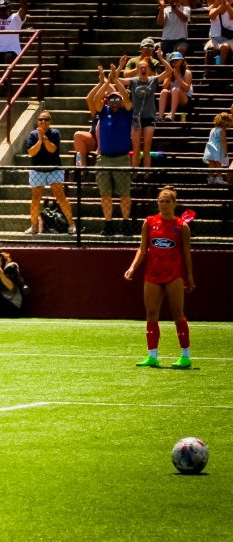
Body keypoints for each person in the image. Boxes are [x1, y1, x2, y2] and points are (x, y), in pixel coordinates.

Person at [123, 186, 195, 369]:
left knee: (178, 314)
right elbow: (142, 248)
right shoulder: (149, 222)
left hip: (174, 275)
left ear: (174, 203)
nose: (164, 204)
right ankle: (152, 356)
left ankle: (185, 356)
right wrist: (132, 267)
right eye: (161, 201)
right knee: (151, 313)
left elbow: (186, 253)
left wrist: (190, 277)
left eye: (167, 201)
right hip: (152, 274)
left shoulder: (181, 226)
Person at [94, 66, 134, 236]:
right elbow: (96, 99)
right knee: (105, 194)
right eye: (112, 99)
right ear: (108, 101)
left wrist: (116, 80)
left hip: (122, 158)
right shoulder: (104, 112)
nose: (115, 101)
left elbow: (125, 98)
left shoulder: (126, 113)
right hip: (104, 159)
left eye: (117, 99)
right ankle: (108, 224)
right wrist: (105, 81)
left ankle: (126, 223)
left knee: (124, 194)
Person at [24, 111, 75, 235]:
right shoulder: (32, 135)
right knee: (35, 198)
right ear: (38, 121)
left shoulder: (55, 133)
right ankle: (34, 226)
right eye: (41, 119)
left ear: (50, 121)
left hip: (54, 169)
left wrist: (45, 138)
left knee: (60, 196)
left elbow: (52, 149)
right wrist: (39, 140)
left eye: (46, 119)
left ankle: (71, 224)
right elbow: (31, 152)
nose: (43, 122)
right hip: (37, 170)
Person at [127, 47, 172, 170]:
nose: (142, 69)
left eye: (145, 67)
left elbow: (169, 70)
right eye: (140, 67)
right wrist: (120, 67)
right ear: (137, 69)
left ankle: (146, 174)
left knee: (147, 147)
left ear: (148, 69)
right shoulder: (133, 81)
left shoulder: (153, 80)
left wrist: (161, 58)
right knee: (136, 149)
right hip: (136, 118)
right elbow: (116, 80)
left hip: (149, 117)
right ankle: (134, 173)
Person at [159, 52, 192, 121]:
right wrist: (169, 77)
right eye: (173, 60)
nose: (175, 62)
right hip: (172, 97)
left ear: (181, 60)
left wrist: (178, 78)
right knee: (164, 91)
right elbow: (164, 87)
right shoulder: (169, 72)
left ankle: (172, 115)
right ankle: (160, 116)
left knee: (175, 89)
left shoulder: (187, 72)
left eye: (177, 60)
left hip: (184, 98)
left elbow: (186, 89)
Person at [202, 112, 232, 185]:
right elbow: (223, 142)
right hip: (217, 150)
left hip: (210, 149)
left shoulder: (213, 129)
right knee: (219, 165)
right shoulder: (222, 131)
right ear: (225, 124)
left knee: (211, 165)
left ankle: (210, 179)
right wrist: (225, 152)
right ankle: (219, 178)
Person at [204, 0, 233, 66]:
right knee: (211, 48)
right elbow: (212, 16)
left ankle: (220, 68)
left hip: (229, 38)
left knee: (224, 47)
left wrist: (227, 6)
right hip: (215, 39)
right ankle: (207, 71)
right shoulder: (213, 9)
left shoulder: (231, 10)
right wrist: (220, 8)